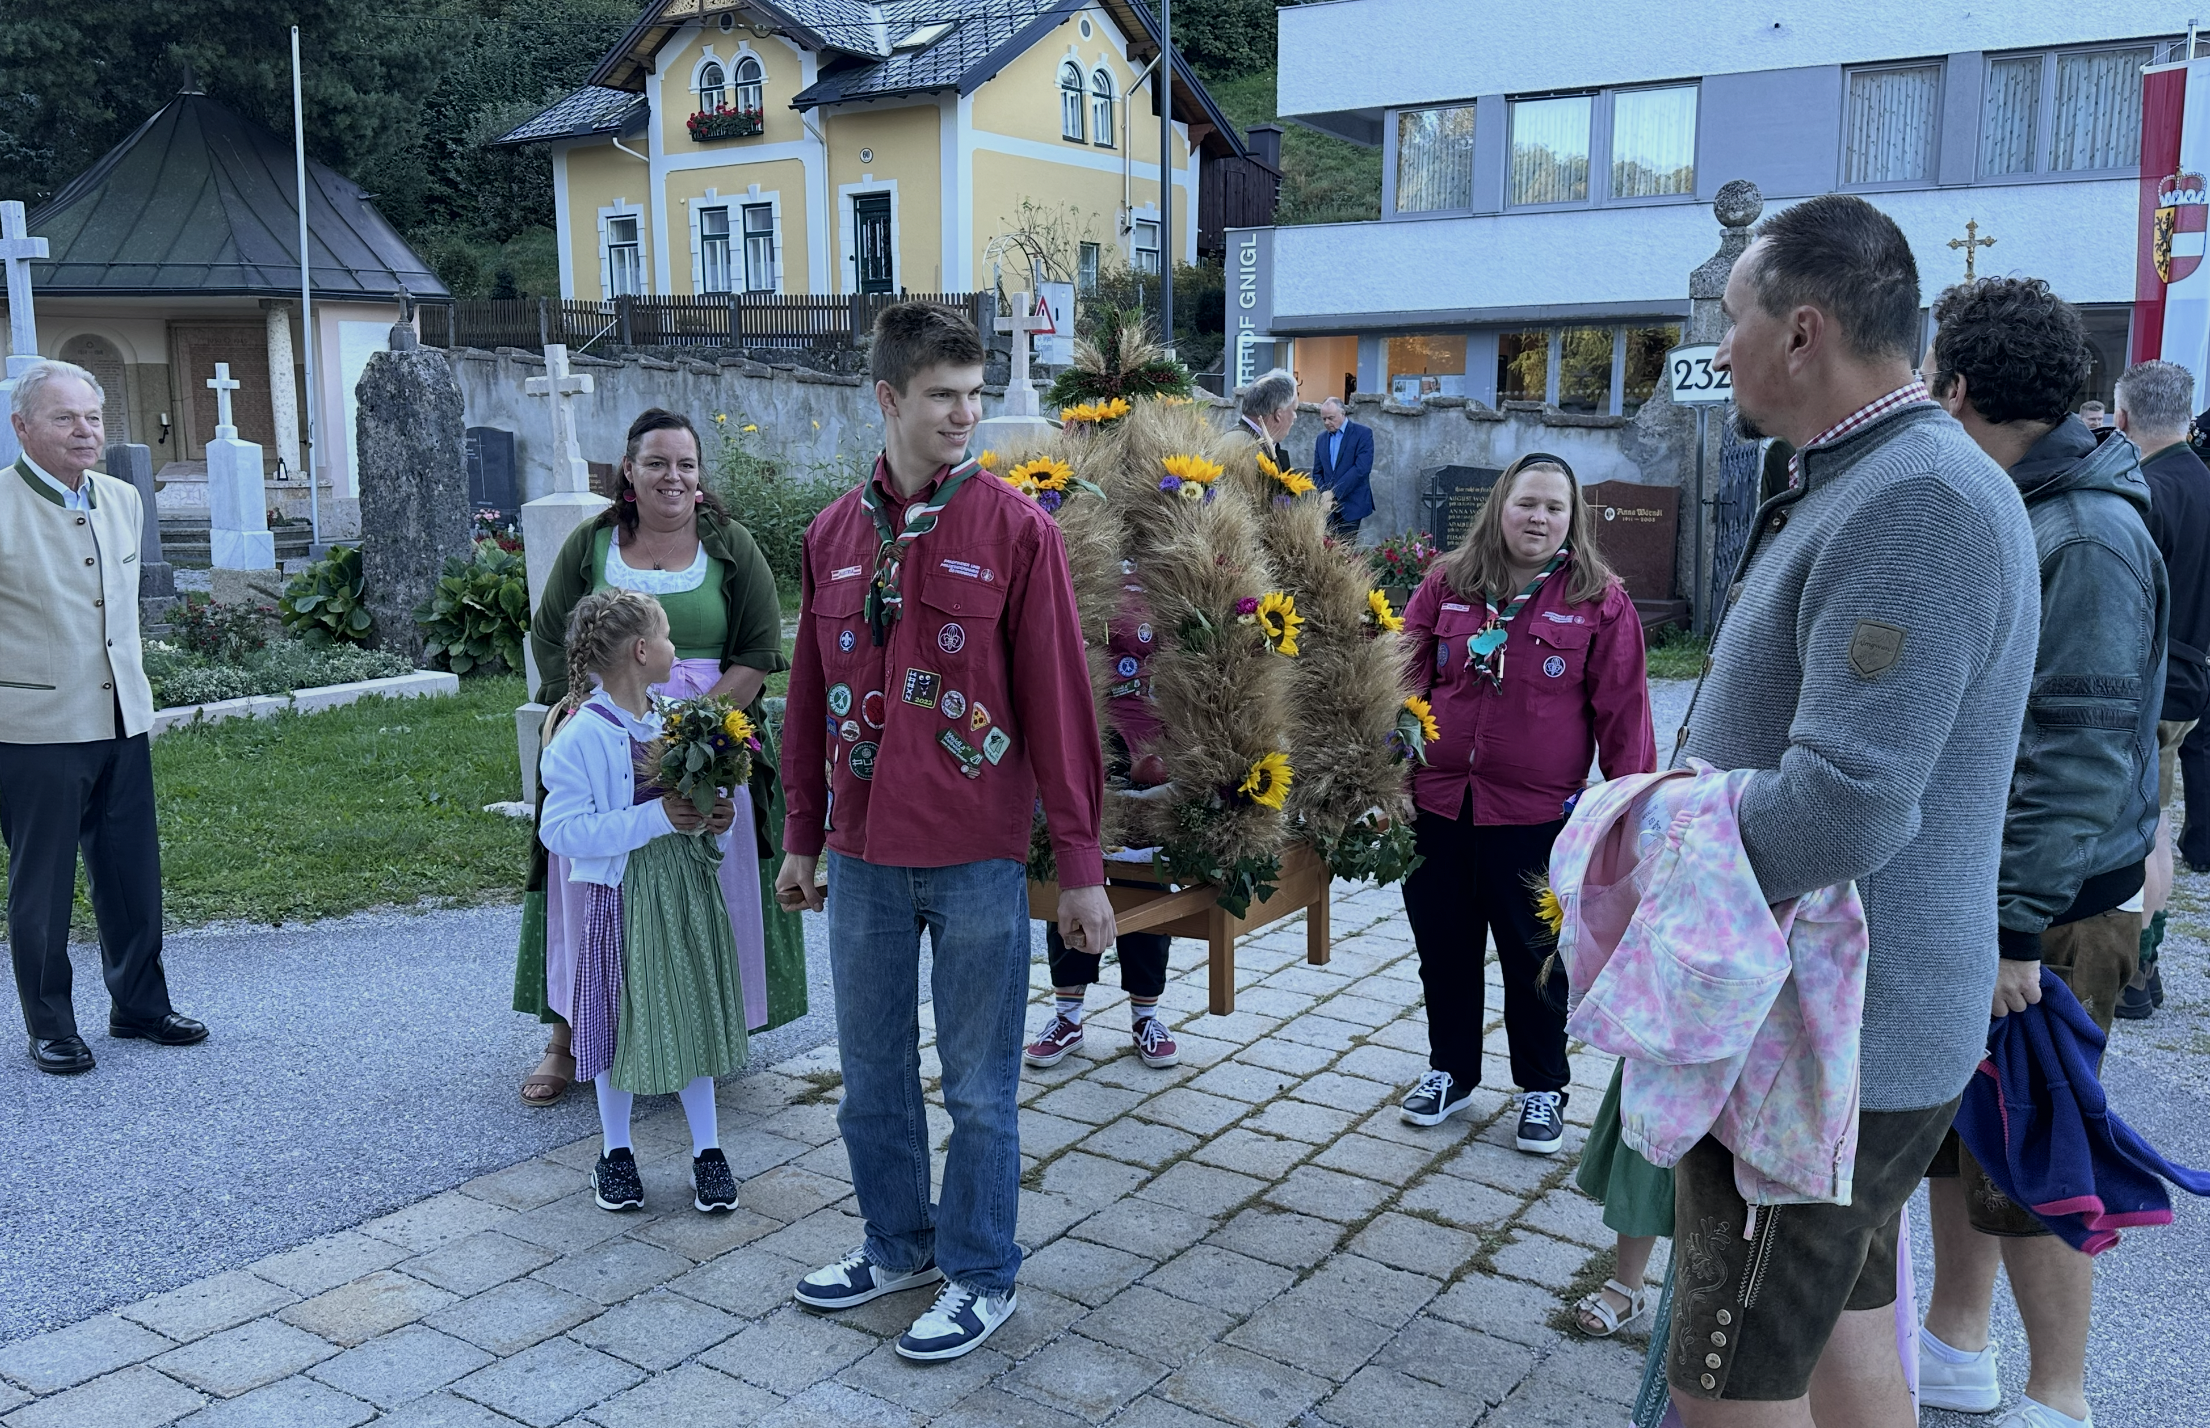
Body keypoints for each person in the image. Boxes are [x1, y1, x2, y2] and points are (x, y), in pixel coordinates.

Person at [1682, 194, 2040, 1426]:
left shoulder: (1914, 500)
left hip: (1829, 1035)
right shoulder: (1875, 475)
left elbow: (1845, 804)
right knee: (1838, 1330)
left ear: (1801, 332)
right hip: (1833, 1022)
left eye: (1731, 316)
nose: (1717, 344)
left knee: (1729, 1375)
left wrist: (1663, 846)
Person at [775, 301, 1116, 1362]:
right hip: (863, 860)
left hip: (973, 856)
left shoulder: (1017, 534)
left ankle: (979, 1273)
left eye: (973, 396)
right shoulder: (831, 536)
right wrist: (801, 834)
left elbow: (1059, 709)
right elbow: (806, 698)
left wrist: (1081, 869)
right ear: (888, 398)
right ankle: (896, 1245)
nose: (965, 416)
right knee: (871, 1080)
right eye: (942, 396)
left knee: (977, 1090)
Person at [1919, 282, 2166, 1428]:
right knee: (1961, 1141)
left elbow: (2075, 757)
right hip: (1999, 894)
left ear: (1956, 387)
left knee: (2034, 1161)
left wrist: (2012, 931)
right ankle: (1954, 1345)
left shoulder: (2084, 533)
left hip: (2048, 913)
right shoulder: (2024, 501)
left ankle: (2057, 1397)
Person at [514, 408, 804, 1106]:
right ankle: (569, 1037)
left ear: (699, 476)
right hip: (605, 734)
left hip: (706, 742)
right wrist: (587, 712)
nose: (672, 477)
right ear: (629, 471)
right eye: (656, 463)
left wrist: (691, 738)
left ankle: (699, 1033)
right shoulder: (593, 545)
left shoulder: (731, 546)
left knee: (699, 884)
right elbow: (551, 634)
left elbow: (757, 653)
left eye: (685, 464)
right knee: (593, 884)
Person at [1396, 452, 1654, 1154]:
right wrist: (1388, 783)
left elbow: (1625, 717)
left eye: (1554, 507)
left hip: (1538, 821)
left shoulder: (1599, 601)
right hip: (1438, 810)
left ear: (1572, 519)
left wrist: (1629, 819)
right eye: (1526, 503)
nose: (1538, 518)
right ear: (1500, 507)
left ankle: (1543, 1088)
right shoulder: (1446, 585)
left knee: (1536, 958)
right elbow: (1401, 687)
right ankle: (1450, 1071)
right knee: (1443, 950)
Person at [1, 359, 205, 1075]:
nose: (84, 430)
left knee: (130, 873)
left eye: (92, 416)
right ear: (22, 427)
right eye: (64, 418)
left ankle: (140, 1005)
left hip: (122, 715)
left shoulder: (121, 498)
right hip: (34, 725)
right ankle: (50, 1024)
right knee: (44, 885)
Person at [538, 590, 748, 1215]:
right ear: (640, 650)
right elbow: (560, 831)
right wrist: (655, 818)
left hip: (684, 892)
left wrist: (719, 819)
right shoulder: (581, 736)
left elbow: (702, 806)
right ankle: (616, 1152)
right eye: (666, 636)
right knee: (619, 1020)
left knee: (690, 1009)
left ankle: (708, 1150)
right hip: (623, 898)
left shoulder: (678, 719)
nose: (675, 648)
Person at [1025, 570, 1177, 1071]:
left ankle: (1146, 1017)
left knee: (1146, 874)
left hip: (1154, 741)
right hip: (1081, 732)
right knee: (1070, 869)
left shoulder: (1172, 555)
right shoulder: (1075, 547)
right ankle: (1067, 1017)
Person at [2113, 359, 2210, 1019]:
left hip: (2150, 684)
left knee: (2138, 831)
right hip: (2191, 675)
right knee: (2158, 827)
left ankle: (2135, 968)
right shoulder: (2202, 479)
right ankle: (2147, 961)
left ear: (2121, 418)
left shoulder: (2146, 492)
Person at [1312, 397, 1374, 541]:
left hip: (1352, 505)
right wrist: (1324, 494)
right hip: (1328, 508)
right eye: (1324, 419)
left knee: (1345, 550)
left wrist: (1333, 493)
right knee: (1326, 549)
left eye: (1331, 418)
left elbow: (1361, 469)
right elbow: (1317, 472)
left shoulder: (1362, 434)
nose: (1327, 422)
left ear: (1343, 413)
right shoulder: (1321, 439)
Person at [1237, 367, 1298, 462]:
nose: (1295, 417)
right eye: (1294, 410)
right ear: (1278, 415)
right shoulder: (1244, 453)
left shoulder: (1257, 443)